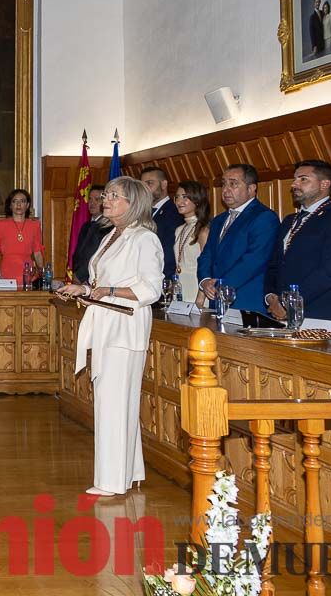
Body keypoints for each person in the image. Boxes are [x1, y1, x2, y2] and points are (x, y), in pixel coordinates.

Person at [57, 177, 163, 497]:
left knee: (114, 403)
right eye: (108, 195)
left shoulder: (145, 239)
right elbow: (101, 281)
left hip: (125, 325)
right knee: (112, 400)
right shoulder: (111, 235)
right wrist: (85, 289)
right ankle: (129, 471)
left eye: (115, 196)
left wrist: (109, 290)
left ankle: (111, 481)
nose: (106, 199)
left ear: (133, 204)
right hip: (105, 320)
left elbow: (150, 289)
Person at [264, 160, 331, 321]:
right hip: (279, 313)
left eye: (303, 179)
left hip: (317, 314)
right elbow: (273, 263)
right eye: (294, 179)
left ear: (324, 184)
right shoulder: (289, 220)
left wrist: (289, 303)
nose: (294, 184)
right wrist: (271, 297)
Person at [197, 164, 281, 314]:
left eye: (233, 184)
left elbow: (254, 260)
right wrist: (205, 281)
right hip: (216, 300)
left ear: (251, 189)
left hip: (246, 302)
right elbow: (207, 255)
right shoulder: (218, 220)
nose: (225, 189)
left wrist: (221, 286)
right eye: (223, 184)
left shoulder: (264, 217)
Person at [0, 189, 45, 280]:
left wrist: (42, 273)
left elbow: (37, 253)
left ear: (27, 205)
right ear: (10, 205)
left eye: (22, 201)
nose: (18, 204)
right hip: (6, 273)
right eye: (15, 201)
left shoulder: (34, 226)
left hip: (28, 274)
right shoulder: (1, 225)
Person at [140, 166, 184, 278]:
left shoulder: (174, 212)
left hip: (161, 277)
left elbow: (169, 253)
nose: (145, 189)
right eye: (142, 185)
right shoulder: (140, 213)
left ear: (164, 184)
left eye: (150, 183)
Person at [172, 180, 212, 303]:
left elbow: (209, 266)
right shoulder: (179, 229)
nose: (179, 202)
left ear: (197, 200)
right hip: (179, 288)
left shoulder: (204, 230)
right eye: (177, 197)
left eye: (185, 197)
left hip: (197, 292)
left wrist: (200, 298)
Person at [72, 184, 112, 285]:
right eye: (90, 199)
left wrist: (80, 276)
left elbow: (95, 253)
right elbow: (79, 253)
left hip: (93, 279)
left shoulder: (108, 227)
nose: (92, 203)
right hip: (79, 278)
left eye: (97, 199)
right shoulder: (86, 225)